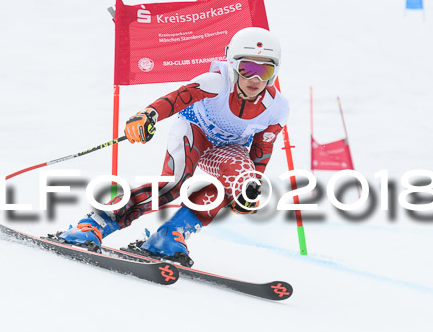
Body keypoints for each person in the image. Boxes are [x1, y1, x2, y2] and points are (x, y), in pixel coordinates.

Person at [57, 27, 289, 267]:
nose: (255, 79)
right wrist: (149, 115)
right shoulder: (216, 82)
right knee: (173, 185)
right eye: (247, 68)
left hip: (229, 149)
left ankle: (169, 236)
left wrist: (248, 191)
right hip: (194, 130)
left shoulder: (277, 107)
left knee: (238, 183)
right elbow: (177, 99)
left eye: (265, 70)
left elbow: (262, 149)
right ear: (232, 65)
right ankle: (95, 223)